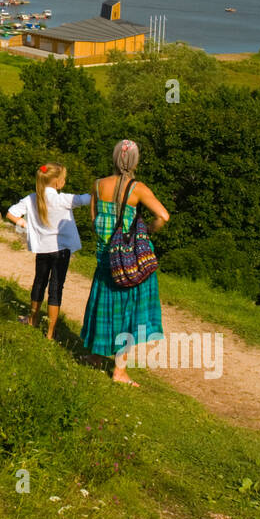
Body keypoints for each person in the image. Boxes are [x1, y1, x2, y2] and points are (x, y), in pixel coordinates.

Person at [81, 140, 171, 387]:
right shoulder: (138, 188)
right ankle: (119, 371)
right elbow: (163, 215)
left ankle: (96, 355)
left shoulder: (98, 185)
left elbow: (93, 219)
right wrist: (148, 230)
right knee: (128, 313)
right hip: (130, 261)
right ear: (135, 161)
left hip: (105, 257)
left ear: (114, 158)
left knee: (103, 306)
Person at [7, 163, 92, 339]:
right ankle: (51, 332)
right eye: (63, 178)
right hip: (61, 250)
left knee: (39, 282)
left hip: (42, 249)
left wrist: (26, 226)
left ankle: (33, 319)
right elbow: (87, 199)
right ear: (57, 182)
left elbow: (11, 213)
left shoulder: (31, 199)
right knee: (56, 288)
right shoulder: (63, 199)